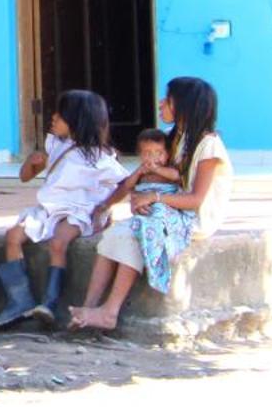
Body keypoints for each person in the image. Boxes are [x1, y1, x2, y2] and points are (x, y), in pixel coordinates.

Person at [72, 78, 233, 330]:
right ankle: (89, 307)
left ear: (184, 106)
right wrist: (114, 203)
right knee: (116, 232)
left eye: (167, 99)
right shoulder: (177, 139)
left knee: (137, 232)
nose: (160, 103)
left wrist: (154, 198)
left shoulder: (208, 146)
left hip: (194, 217)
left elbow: (195, 199)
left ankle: (109, 312)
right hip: (172, 209)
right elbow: (140, 179)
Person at [0, 89, 127, 327]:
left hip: (77, 212)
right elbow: (25, 177)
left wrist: (104, 206)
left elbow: (125, 184)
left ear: (77, 121)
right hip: (49, 210)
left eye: (60, 115)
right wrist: (32, 164)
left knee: (58, 242)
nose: (53, 118)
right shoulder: (56, 146)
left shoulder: (99, 157)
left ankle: (49, 303)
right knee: (13, 236)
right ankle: (19, 300)